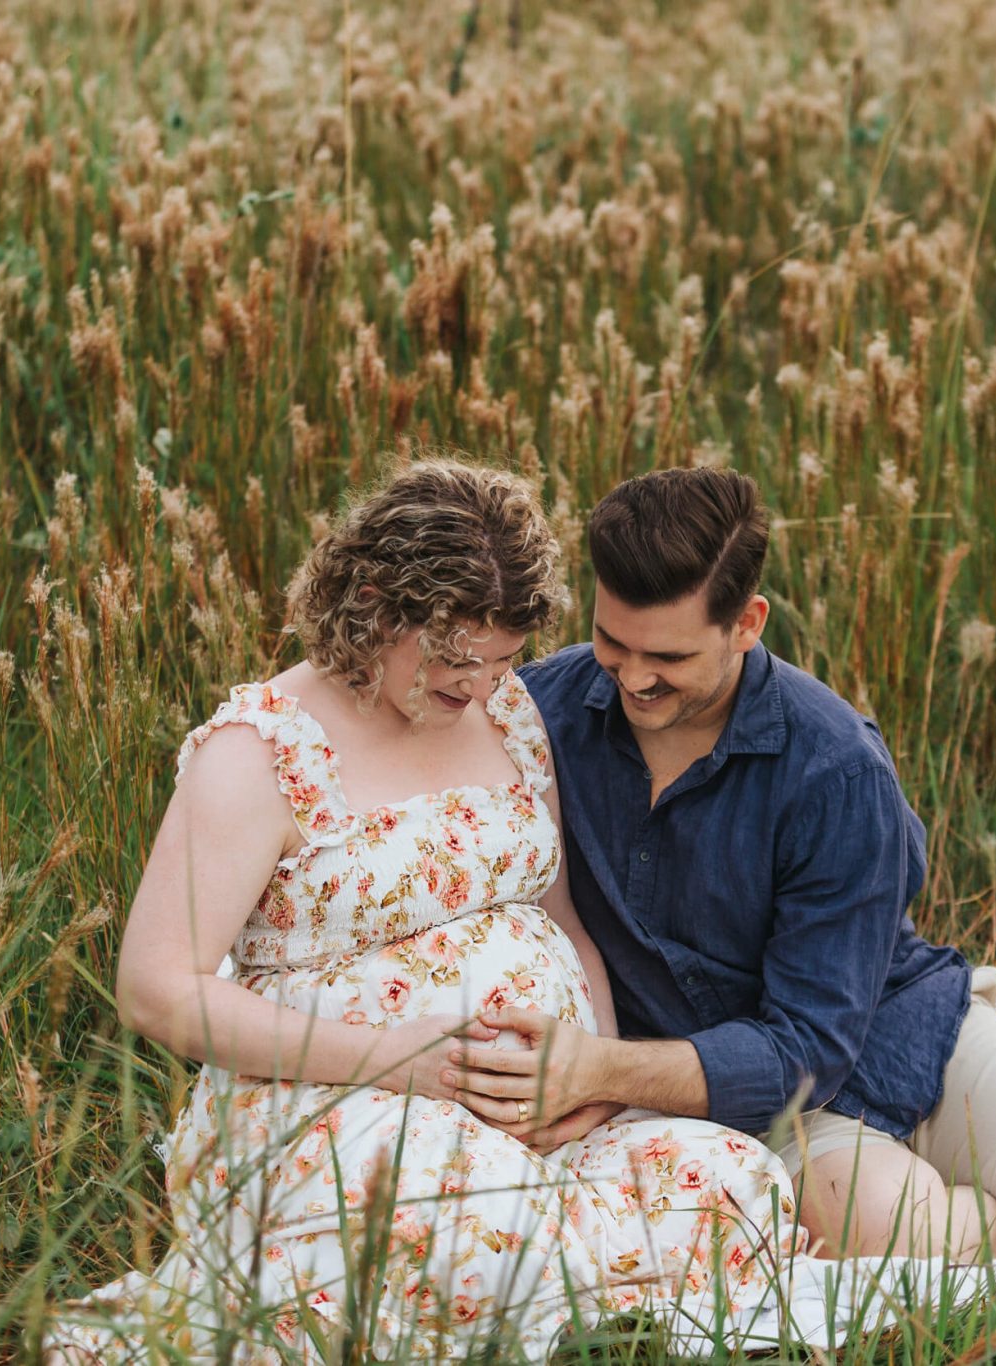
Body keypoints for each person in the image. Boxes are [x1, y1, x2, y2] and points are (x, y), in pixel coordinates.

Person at [47, 460, 805, 1362]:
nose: (479, 688)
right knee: (480, 1228)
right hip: (332, 1103)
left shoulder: (510, 715)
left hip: (542, 1113)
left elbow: (560, 917)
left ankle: (574, 1310)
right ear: (372, 603)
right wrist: (402, 1062)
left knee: (737, 1184)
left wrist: (592, 1076)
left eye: (503, 661)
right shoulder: (262, 751)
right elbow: (156, 989)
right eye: (454, 660)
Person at [451, 467, 996, 1262]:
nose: (635, 677)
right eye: (613, 642)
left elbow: (811, 1043)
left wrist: (599, 1070)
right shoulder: (538, 714)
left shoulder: (836, 766)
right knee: (897, 1238)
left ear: (747, 623)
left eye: (669, 656)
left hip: (892, 1029)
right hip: (739, 1101)